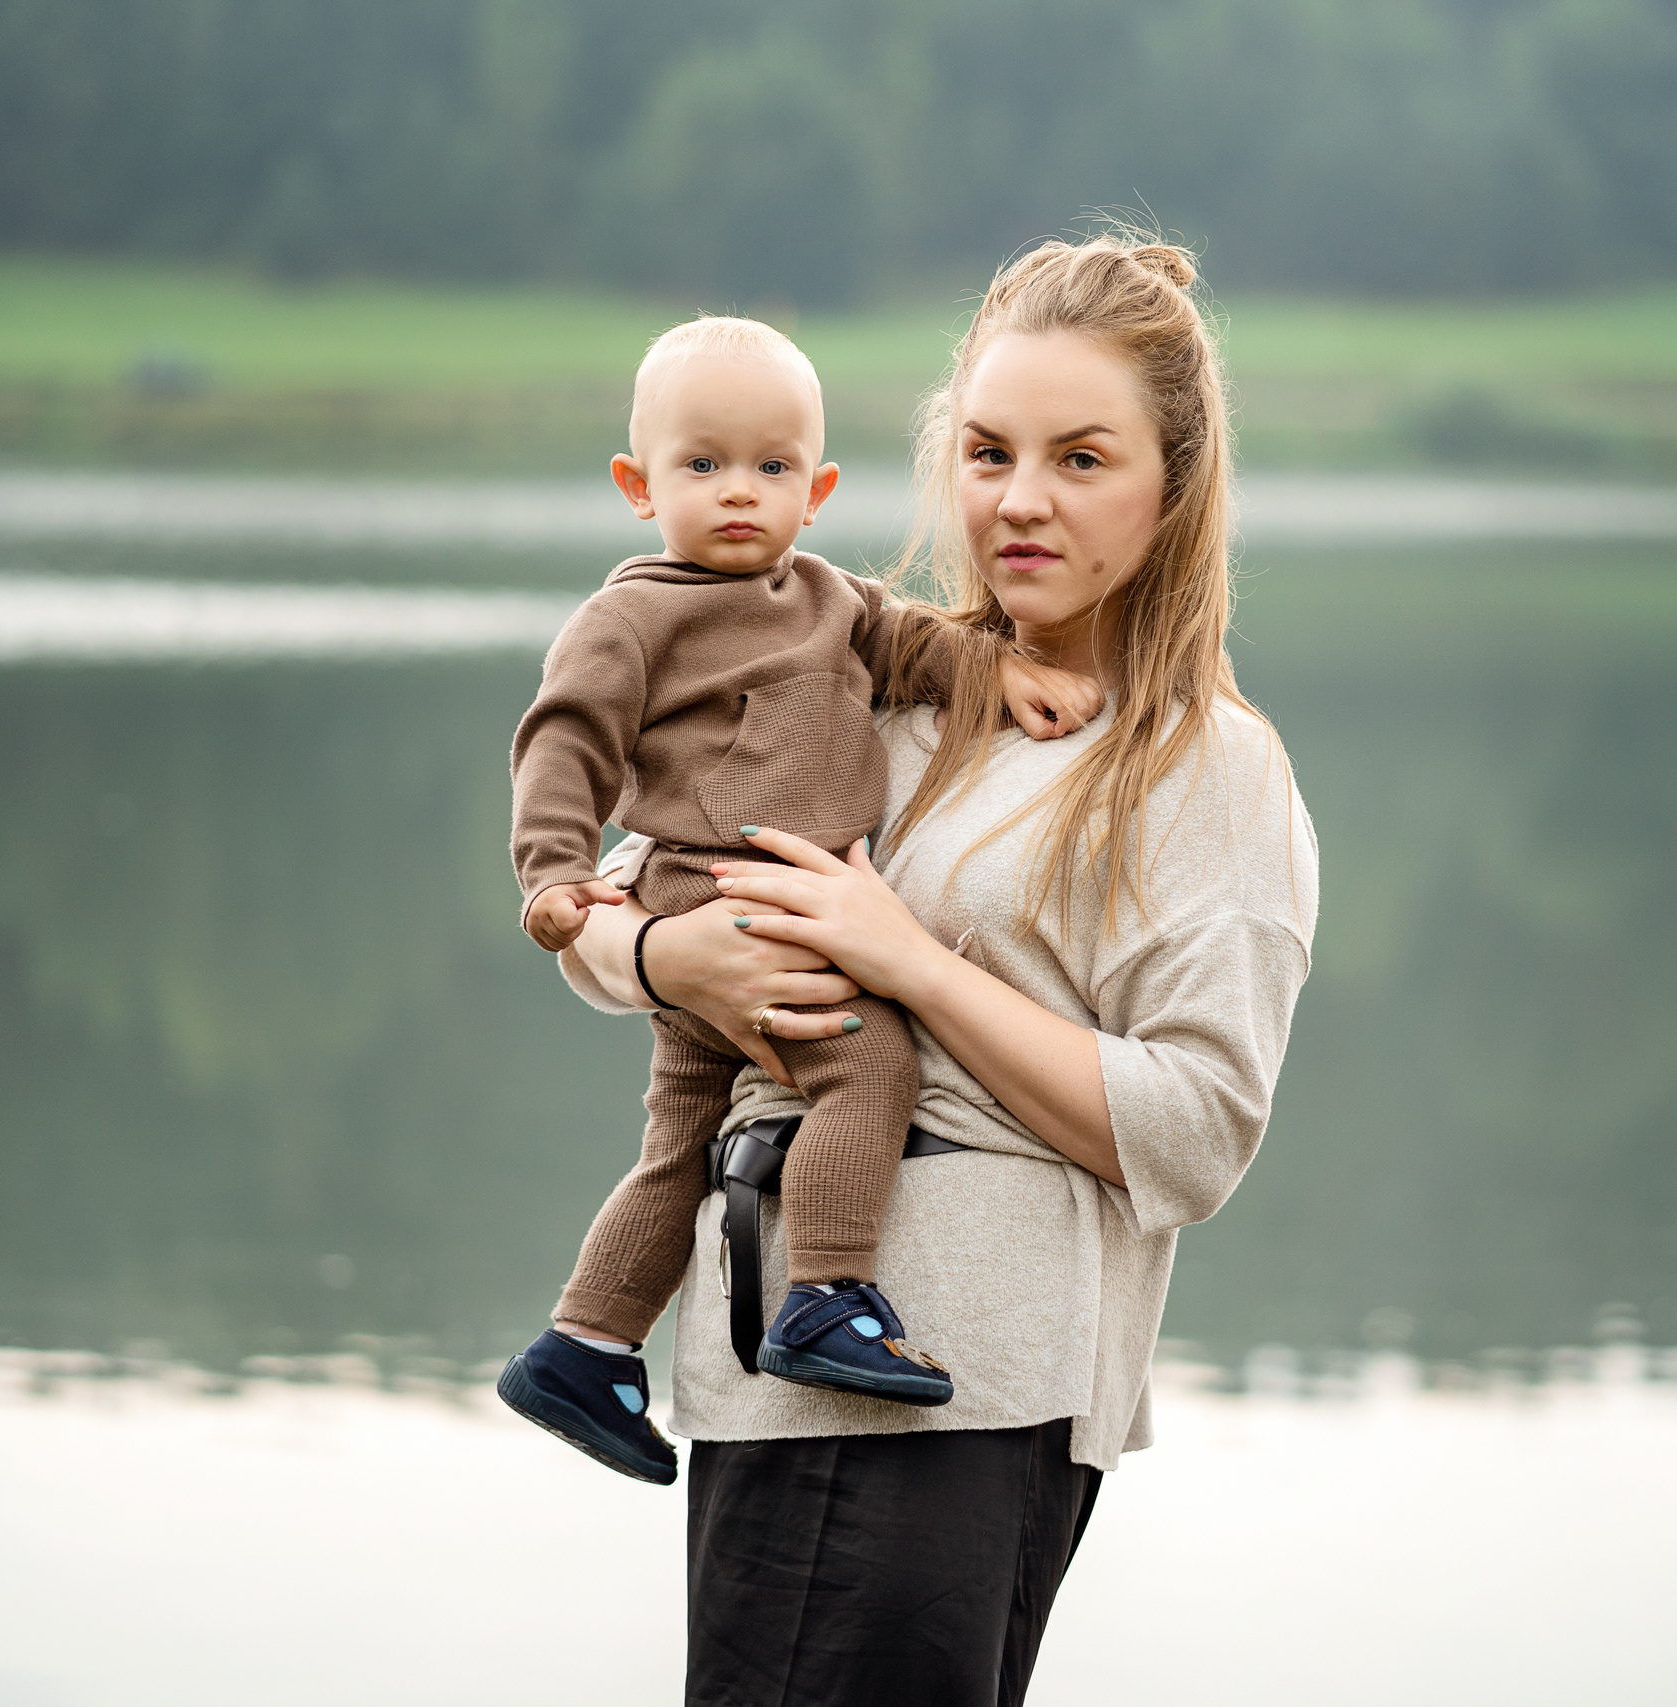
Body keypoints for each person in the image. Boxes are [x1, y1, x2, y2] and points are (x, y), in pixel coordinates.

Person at [559, 234, 1320, 1705]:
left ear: (1174, 487)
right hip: (765, 1375)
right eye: (988, 450)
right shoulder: (881, 685)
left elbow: (1199, 1130)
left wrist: (907, 959)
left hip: (954, 1389)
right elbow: (612, 906)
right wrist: (660, 949)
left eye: (1081, 458)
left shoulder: (1202, 768)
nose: (1018, 499)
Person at [499, 315, 1103, 1484]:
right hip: (727, 890)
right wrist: (558, 875)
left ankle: (583, 1344)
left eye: (772, 469)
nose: (740, 494)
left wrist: (1007, 673)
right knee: (868, 1065)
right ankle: (825, 1291)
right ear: (637, 485)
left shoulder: (831, 599)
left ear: (817, 488)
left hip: (760, 898)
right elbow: (562, 742)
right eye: (702, 466)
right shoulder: (632, 618)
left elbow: (919, 645)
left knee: (678, 1144)